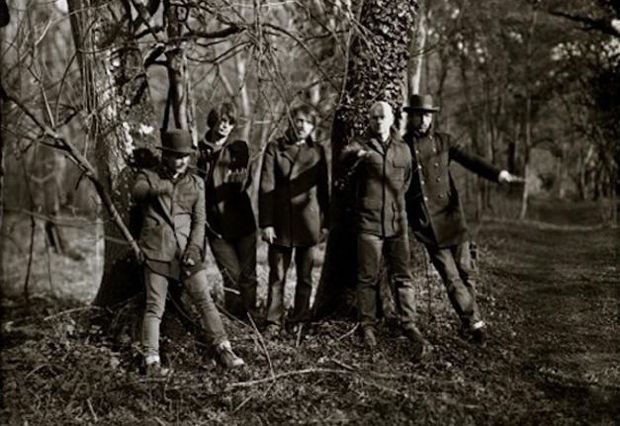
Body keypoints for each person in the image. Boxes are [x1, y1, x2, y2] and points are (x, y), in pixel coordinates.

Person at [403, 94, 522, 343]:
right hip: (428, 223)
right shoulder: (403, 147)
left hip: (452, 217)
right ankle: (475, 323)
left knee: (466, 273)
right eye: (419, 115)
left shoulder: (443, 141)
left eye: (427, 115)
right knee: (451, 277)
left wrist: (497, 174)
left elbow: (471, 160)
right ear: (411, 116)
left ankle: (470, 321)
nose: (423, 120)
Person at [132, 129, 244, 375]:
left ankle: (224, 350)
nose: (181, 160)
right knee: (154, 307)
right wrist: (162, 187)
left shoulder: (196, 183)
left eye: (185, 156)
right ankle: (151, 361)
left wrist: (194, 248)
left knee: (205, 300)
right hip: (156, 252)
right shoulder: (148, 176)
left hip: (186, 253)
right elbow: (137, 192)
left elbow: (199, 221)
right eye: (176, 155)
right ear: (165, 155)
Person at [341, 101, 427, 356]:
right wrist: (355, 157)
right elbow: (345, 163)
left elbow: (407, 182)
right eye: (374, 117)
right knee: (367, 277)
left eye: (383, 117)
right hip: (368, 223)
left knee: (403, 276)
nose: (378, 121)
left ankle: (408, 323)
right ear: (369, 120)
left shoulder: (403, 149)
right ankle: (367, 325)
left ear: (391, 119)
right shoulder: (360, 144)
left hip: (397, 223)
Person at [258, 105, 329, 338]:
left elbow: (323, 191)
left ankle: (300, 319)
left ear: (313, 127)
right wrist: (266, 223)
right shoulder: (275, 148)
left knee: (305, 277)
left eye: (307, 122)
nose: (302, 126)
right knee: (277, 276)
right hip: (281, 223)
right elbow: (266, 187)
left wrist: (325, 223)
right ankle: (273, 322)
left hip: (308, 223)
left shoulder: (317, 151)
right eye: (298, 121)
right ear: (290, 122)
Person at [197, 103, 258, 320]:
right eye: (223, 121)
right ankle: (235, 319)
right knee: (231, 275)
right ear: (214, 120)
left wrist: (240, 180)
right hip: (216, 227)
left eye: (230, 123)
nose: (225, 126)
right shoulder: (199, 150)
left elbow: (244, 175)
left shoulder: (237, 147)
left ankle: (250, 318)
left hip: (243, 223)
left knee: (248, 276)